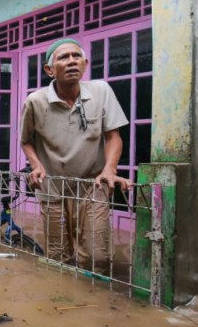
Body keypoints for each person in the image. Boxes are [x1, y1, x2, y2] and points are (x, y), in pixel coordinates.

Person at [19, 38, 130, 273]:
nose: (71, 62)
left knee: (96, 256)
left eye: (76, 56)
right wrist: (36, 165)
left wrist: (109, 169)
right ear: (49, 70)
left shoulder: (101, 91)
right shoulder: (35, 101)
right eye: (63, 57)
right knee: (58, 257)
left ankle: (93, 299)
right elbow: (26, 140)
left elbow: (113, 136)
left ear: (85, 64)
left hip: (92, 183)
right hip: (53, 185)